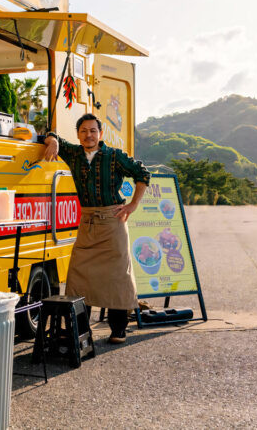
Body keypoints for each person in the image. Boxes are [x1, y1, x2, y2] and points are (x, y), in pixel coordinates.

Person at [41, 113, 150, 344]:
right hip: (88, 222)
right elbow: (49, 135)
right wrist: (53, 141)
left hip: (113, 222)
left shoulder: (114, 156)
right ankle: (82, 333)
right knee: (79, 277)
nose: (88, 135)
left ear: (100, 134)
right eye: (83, 131)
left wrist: (133, 205)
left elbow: (142, 174)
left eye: (92, 130)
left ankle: (118, 330)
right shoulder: (73, 153)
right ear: (78, 134)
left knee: (118, 278)